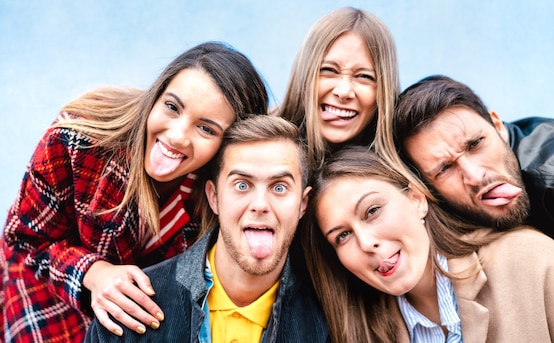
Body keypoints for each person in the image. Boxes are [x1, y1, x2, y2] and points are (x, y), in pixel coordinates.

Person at [0, 41, 269, 342]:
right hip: (48, 300)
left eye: (206, 129)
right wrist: (95, 273)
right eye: (172, 107)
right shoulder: (76, 143)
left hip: (137, 325)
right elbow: (25, 240)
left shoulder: (221, 196)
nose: (177, 136)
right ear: (155, 97)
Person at [302, 146, 554, 342]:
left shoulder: (532, 262)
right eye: (342, 236)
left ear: (415, 199)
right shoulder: (357, 331)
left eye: (372, 211)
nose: (367, 242)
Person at [389, 74, 554, 334]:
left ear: (498, 126)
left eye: (475, 144)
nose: (476, 176)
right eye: (445, 168)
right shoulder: (438, 213)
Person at [84, 115, 329, 342]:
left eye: (279, 188)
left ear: (302, 205)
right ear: (214, 197)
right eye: (242, 185)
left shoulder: (326, 322)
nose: (260, 205)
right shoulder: (128, 309)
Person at [275, 6, 399, 169]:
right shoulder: (255, 148)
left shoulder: (399, 183)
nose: (343, 92)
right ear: (303, 75)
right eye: (328, 70)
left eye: (364, 76)